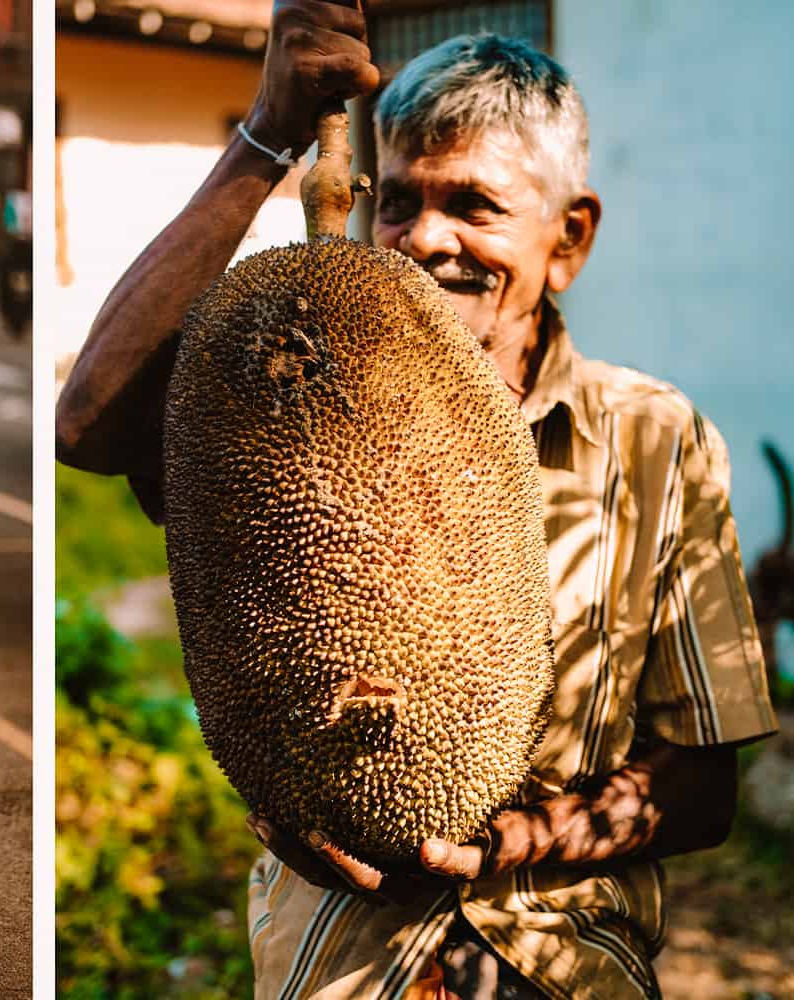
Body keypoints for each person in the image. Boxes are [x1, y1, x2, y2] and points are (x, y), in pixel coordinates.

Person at [54, 10, 779, 998]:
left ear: (569, 239)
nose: (427, 238)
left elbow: (705, 785)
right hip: (334, 972)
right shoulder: (290, 393)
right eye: (398, 202)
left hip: (564, 971)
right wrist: (271, 128)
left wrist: (513, 842)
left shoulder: (655, 436)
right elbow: (87, 424)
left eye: (474, 205)